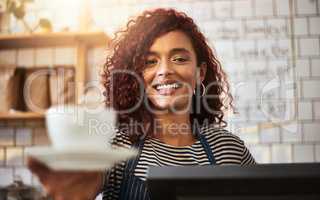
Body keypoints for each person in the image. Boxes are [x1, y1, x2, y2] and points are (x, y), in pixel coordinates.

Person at [28, 8, 255, 200]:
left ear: (200, 73)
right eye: (150, 62)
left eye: (179, 59)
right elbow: (81, 184)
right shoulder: (117, 146)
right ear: (135, 76)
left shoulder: (229, 150)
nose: (165, 70)